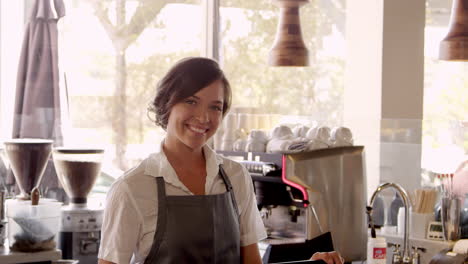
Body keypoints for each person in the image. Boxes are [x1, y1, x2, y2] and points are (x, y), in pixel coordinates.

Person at [97, 57, 344, 264]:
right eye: (191, 101)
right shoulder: (131, 189)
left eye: (215, 107)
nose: (204, 117)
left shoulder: (236, 177)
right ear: (167, 104)